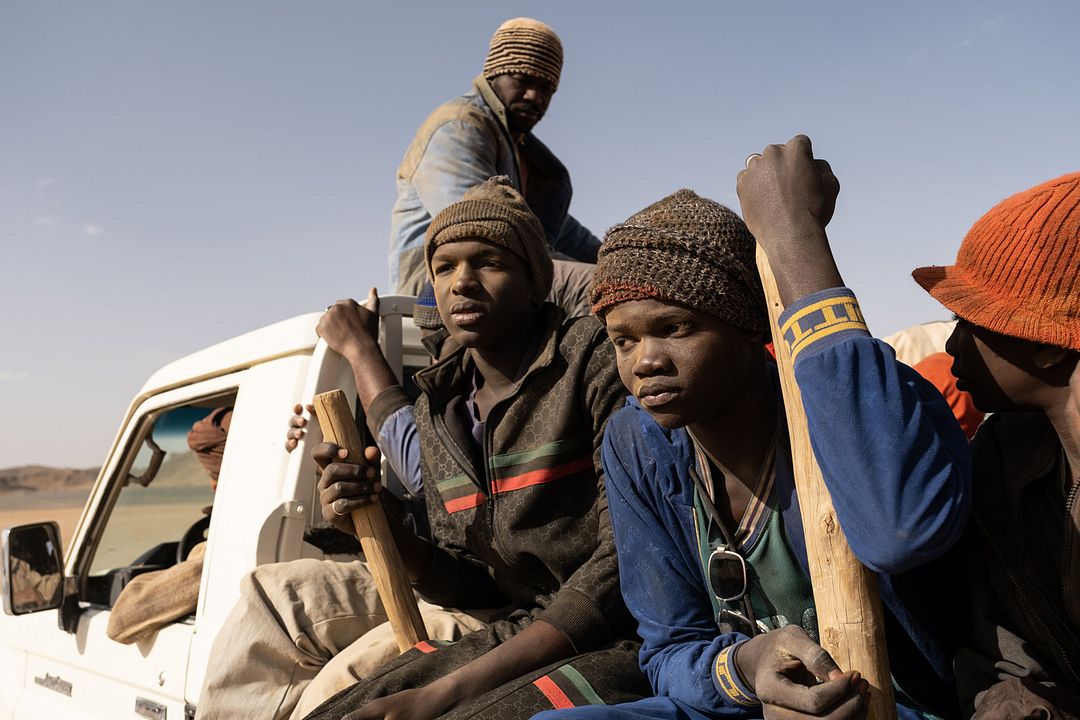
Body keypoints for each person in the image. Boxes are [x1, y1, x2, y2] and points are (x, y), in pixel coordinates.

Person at [534, 161, 971, 720]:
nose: (645, 361)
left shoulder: (862, 397)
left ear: (747, 324)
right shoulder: (637, 442)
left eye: (675, 328)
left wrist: (796, 235)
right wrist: (745, 666)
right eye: (622, 340)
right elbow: (668, 648)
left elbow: (898, 534)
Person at [197, 178, 647, 720]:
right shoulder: (441, 407)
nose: (462, 283)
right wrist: (382, 524)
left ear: (536, 281)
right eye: (446, 268)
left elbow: (623, 565)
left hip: (621, 634)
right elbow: (472, 577)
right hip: (519, 622)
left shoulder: (593, 364)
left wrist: (446, 691)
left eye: (489, 262)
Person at [910, 172, 1080, 717]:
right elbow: (1007, 637)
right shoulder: (1006, 452)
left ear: (1048, 346)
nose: (953, 341)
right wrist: (1010, 691)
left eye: (970, 320)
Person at [389, 17, 598, 317]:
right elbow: (481, 229)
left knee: (627, 277)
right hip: (436, 287)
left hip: (496, 271)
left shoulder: (517, 146)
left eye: (546, 88)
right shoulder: (459, 126)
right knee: (596, 286)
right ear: (495, 75)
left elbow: (565, 232)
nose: (535, 97)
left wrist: (621, 254)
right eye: (523, 81)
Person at [107, 407, 231, 644]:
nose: (213, 486)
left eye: (212, 476)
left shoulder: (218, 556)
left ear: (219, 483)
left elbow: (120, 622)